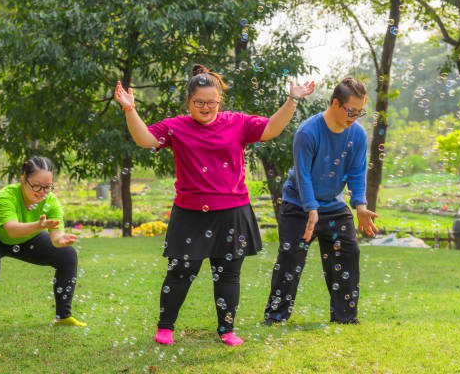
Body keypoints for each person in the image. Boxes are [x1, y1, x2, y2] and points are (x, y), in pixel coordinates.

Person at [114, 64, 314, 346]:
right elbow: (145, 139)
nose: (205, 107)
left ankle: (227, 330)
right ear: (188, 101)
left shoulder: (238, 122)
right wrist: (129, 109)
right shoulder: (176, 126)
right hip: (190, 213)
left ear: (220, 101)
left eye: (212, 102)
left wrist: (292, 99)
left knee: (229, 274)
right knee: (181, 270)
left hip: (232, 212)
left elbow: (271, 129)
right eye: (199, 102)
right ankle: (165, 327)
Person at [263, 77, 378, 326]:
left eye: (360, 112)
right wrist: (311, 209)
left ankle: (345, 317)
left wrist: (360, 206)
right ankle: (275, 316)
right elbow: (302, 175)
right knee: (291, 257)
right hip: (298, 205)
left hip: (334, 206)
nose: (355, 117)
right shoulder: (308, 132)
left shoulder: (357, 134)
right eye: (351, 111)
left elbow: (357, 172)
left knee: (348, 252)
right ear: (335, 103)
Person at [0, 156, 85, 340]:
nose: (42, 192)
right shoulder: (6, 196)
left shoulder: (51, 202)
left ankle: (63, 316)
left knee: (67, 256)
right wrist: (39, 226)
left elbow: (56, 235)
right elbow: (12, 230)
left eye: (47, 186)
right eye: (36, 185)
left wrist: (60, 241)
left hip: (25, 236)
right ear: (23, 179)